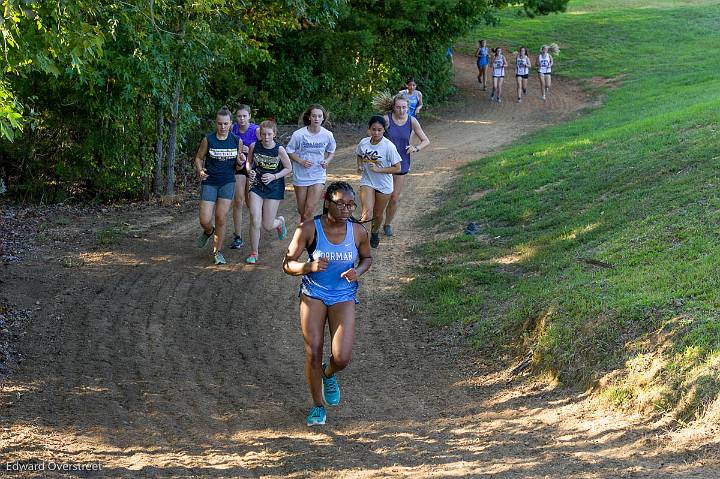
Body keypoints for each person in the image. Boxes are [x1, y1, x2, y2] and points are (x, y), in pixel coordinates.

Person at [283, 181, 373, 426]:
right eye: (341, 204)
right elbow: (287, 263)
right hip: (313, 294)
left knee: (342, 357)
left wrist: (359, 271)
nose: (346, 209)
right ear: (327, 203)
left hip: (343, 295)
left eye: (350, 204)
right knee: (313, 351)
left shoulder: (357, 231)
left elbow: (367, 258)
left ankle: (328, 373)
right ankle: (317, 406)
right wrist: (307, 267)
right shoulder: (309, 228)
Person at [194, 106, 244, 265]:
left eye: (226, 124)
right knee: (204, 219)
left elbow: (238, 167)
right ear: (216, 123)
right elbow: (198, 158)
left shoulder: (237, 141)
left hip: (227, 182)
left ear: (231, 124)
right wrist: (201, 171)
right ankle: (209, 231)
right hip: (210, 181)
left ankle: (217, 252)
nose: (222, 127)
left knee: (221, 217)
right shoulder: (208, 139)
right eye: (219, 124)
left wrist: (240, 163)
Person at [381, 93, 430, 244]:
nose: (402, 110)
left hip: (402, 163)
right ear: (393, 107)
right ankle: (375, 223)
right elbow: (372, 133)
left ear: (408, 108)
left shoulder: (412, 121)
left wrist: (416, 148)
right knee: (382, 196)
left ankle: (387, 223)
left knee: (394, 197)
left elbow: (426, 140)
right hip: (384, 163)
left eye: (404, 108)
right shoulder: (386, 119)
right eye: (398, 107)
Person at [245, 120, 292, 264]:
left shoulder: (279, 150)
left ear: (274, 134)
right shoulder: (254, 146)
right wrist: (249, 171)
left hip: (274, 187)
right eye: (263, 134)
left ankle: (279, 223)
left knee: (267, 225)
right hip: (257, 185)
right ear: (259, 134)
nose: (266, 137)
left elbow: (288, 168)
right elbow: (248, 163)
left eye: (269, 134)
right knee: (255, 219)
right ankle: (254, 252)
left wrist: (274, 176)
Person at [356, 115, 402, 249]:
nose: (376, 133)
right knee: (367, 213)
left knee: (377, 214)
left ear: (384, 130)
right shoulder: (364, 142)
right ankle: (360, 241)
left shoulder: (389, 146)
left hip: (384, 185)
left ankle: (375, 232)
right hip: (367, 181)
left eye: (379, 130)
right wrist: (359, 166)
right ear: (369, 129)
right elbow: (359, 154)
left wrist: (378, 169)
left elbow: (397, 168)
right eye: (373, 129)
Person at [286, 105, 337, 223]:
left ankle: (305, 238)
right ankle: (304, 231)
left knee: (309, 210)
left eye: (320, 116)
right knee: (301, 210)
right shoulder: (299, 135)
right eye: (314, 116)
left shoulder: (327, 135)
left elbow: (332, 151)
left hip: (318, 175)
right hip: (301, 175)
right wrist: (301, 161)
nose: (317, 119)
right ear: (309, 117)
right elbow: (289, 151)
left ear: (323, 118)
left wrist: (327, 161)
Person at [229, 105, 259, 250]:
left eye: (244, 116)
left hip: (253, 168)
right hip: (238, 167)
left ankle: (256, 230)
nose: (241, 119)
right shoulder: (232, 129)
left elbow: (266, 146)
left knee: (250, 202)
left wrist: (250, 148)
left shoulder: (256, 130)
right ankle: (238, 236)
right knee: (238, 201)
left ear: (249, 116)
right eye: (239, 116)